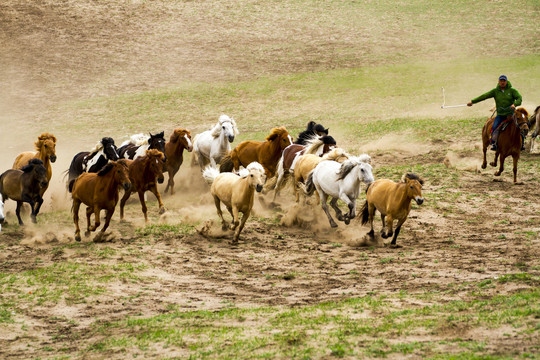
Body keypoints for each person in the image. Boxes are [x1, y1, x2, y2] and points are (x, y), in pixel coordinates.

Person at [467, 75, 522, 150]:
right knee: (494, 127)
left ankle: (521, 144)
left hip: (510, 114)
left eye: (504, 81)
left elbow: (519, 98)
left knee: (519, 126)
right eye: (501, 81)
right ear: (498, 82)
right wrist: (473, 101)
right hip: (500, 115)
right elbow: (484, 96)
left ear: (506, 82)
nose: (502, 82)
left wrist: (514, 104)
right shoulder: (495, 91)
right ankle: (494, 143)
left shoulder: (512, 90)